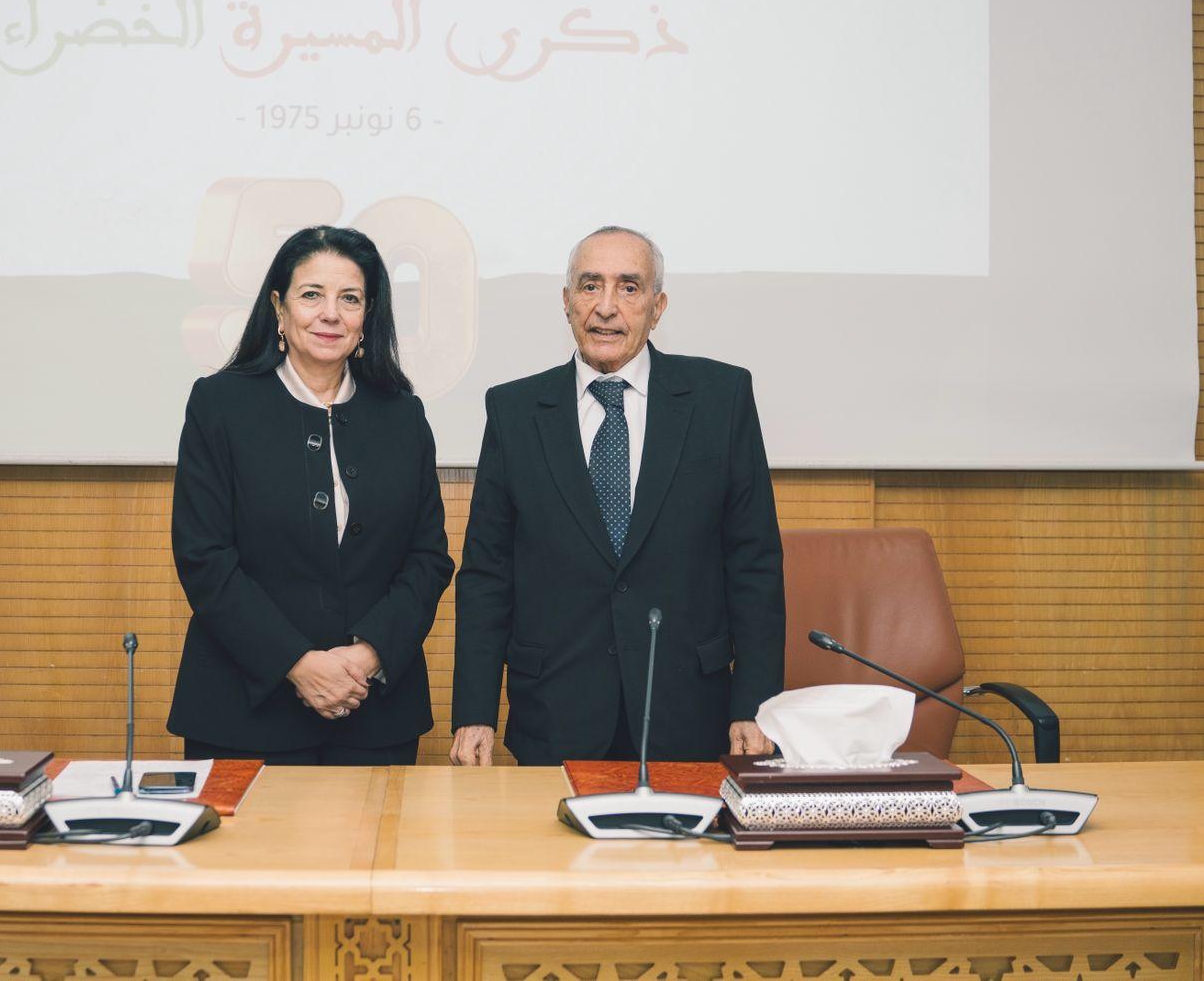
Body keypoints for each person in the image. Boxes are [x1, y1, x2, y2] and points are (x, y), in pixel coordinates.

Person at [450, 226, 783, 766]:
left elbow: (754, 564)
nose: (606, 307)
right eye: (589, 286)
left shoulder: (720, 400)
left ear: (658, 306)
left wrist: (756, 704)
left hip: (691, 712)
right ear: (566, 302)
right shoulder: (513, 412)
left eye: (629, 287)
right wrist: (475, 712)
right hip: (554, 713)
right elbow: (488, 574)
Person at [168, 226, 453, 764]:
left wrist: (367, 657)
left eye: (350, 298)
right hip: (243, 715)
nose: (330, 314)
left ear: (369, 316)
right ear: (279, 308)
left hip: (375, 712)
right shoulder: (220, 405)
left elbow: (428, 560)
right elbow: (204, 558)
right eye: (311, 295)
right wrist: (297, 663)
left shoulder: (402, 415)